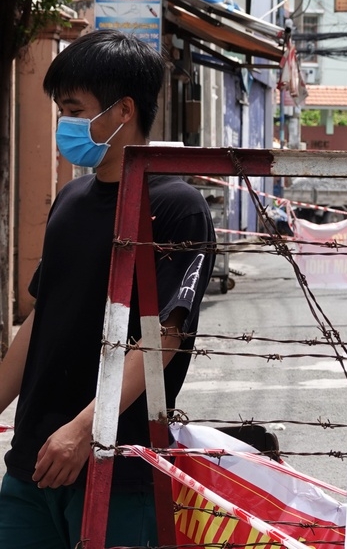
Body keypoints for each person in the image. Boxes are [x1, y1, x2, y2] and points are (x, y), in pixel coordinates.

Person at [0, 29, 215, 546]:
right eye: (61, 110)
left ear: (122, 111)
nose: (65, 124)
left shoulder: (177, 205)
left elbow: (162, 338)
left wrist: (83, 431)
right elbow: (41, 316)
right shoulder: (71, 199)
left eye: (75, 109)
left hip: (118, 466)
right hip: (32, 462)